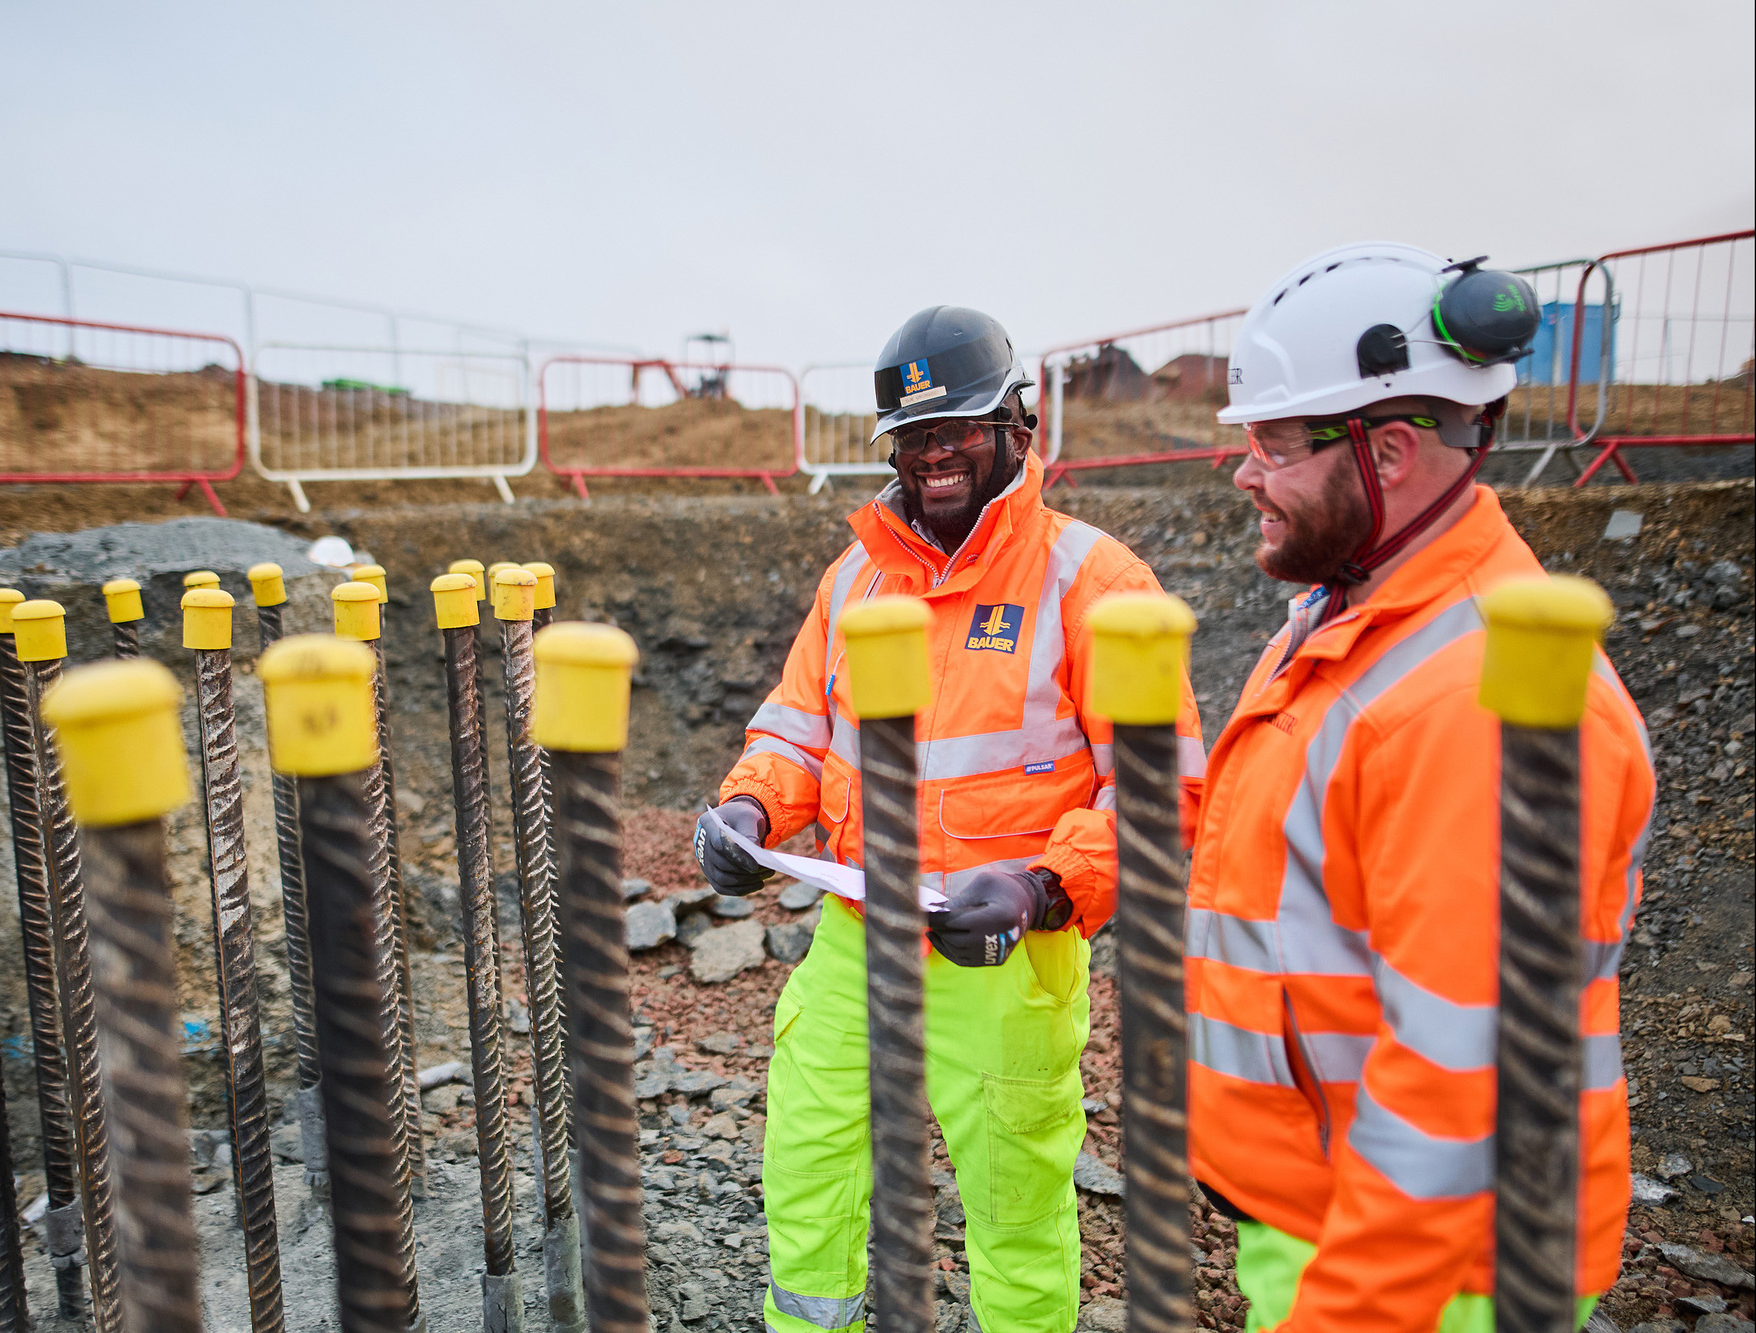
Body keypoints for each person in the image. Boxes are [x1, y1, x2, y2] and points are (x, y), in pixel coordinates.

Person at [694, 306, 1206, 1333]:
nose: (933, 456)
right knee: (807, 1164)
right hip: (857, 936)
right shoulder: (852, 578)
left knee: (1014, 1213)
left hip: (1004, 952)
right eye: (913, 438)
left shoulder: (1091, 580)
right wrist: (747, 805)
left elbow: (1160, 793)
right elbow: (794, 730)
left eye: (957, 431)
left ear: (1018, 426)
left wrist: (1040, 883)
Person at [1188, 242, 1656, 1330]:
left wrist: (1347, 1312)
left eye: (1269, 439)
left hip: (1428, 1274)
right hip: (1337, 1218)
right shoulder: (1343, 624)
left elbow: (1461, 1075)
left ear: (1388, 451)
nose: (1243, 471)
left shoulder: (1480, 696)